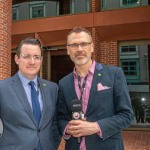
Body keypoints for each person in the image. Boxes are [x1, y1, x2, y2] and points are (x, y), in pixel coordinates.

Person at [57, 27, 133, 150]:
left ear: (91, 47)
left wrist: (97, 126)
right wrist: (67, 128)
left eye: (83, 44)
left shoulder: (114, 74)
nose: (79, 49)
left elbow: (127, 115)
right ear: (68, 50)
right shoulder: (63, 83)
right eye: (74, 45)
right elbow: (60, 118)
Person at [0, 38, 61, 150]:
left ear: (41, 60)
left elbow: (55, 122)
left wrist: (52, 144)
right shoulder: (2, 88)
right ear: (17, 59)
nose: (32, 62)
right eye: (26, 56)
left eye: (36, 57)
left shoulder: (52, 88)